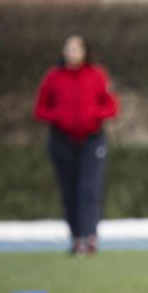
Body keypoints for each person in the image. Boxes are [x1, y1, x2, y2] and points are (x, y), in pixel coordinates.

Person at [33, 34, 119, 256]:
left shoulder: (97, 75)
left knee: (89, 190)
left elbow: (112, 106)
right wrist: (58, 116)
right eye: (68, 49)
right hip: (62, 140)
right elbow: (40, 109)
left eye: (75, 49)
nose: (71, 53)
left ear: (84, 52)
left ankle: (90, 237)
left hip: (92, 140)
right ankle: (76, 238)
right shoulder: (53, 77)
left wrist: (94, 115)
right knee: (69, 191)